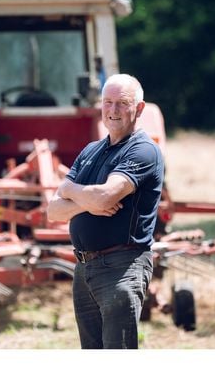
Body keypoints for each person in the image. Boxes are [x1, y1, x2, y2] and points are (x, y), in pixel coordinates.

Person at [47, 73, 163, 349]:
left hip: (121, 267)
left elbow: (104, 197)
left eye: (122, 103)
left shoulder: (144, 151)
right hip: (84, 268)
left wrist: (70, 190)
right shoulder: (91, 150)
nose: (113, 110)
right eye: (107, 102)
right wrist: (86, 199)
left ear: (139, 108)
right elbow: (53, 211)